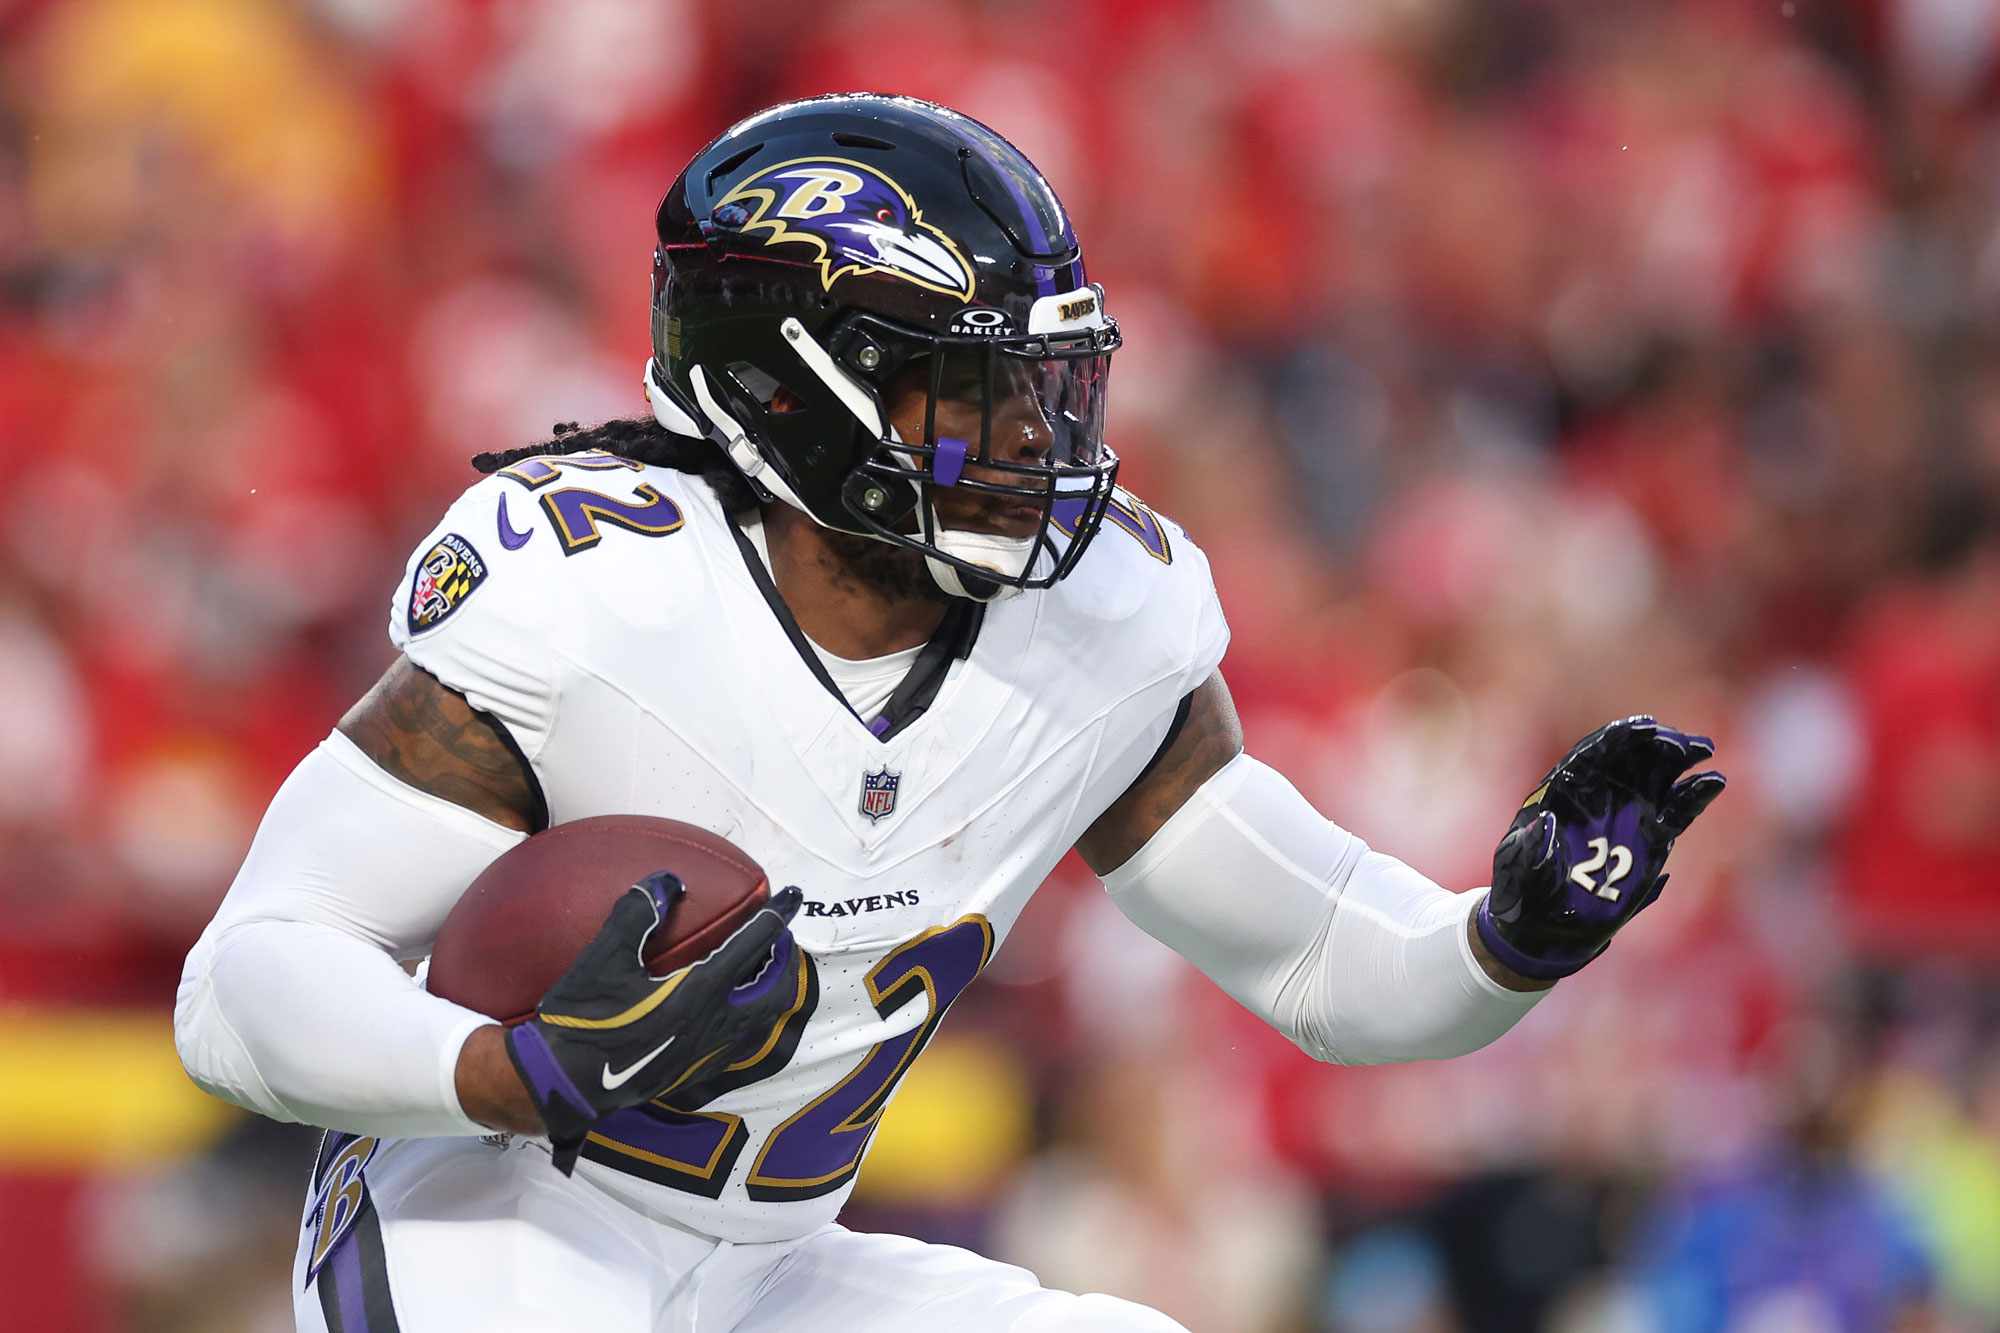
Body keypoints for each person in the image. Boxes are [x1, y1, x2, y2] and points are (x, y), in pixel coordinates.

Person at [173, 93, 1725, 1333]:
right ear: (792, 387)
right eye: (966, 391)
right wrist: (508, 1071)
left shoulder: (1094, 628)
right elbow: (244, 984)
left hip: (775, 1262)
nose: (1033, 437)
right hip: (494, 1213)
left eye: (1049, 388)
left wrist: (1505, 941)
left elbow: (1324, 958)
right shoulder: (599, 597)